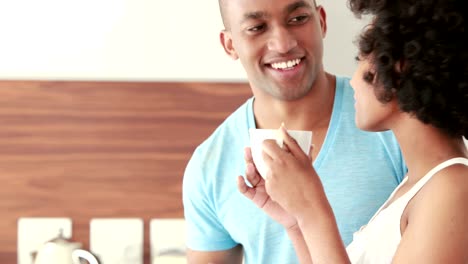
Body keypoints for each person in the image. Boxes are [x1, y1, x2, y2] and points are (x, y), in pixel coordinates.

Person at [239, 0, 468, 262]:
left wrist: (313, 211)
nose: (354, 80)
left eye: (361, 60)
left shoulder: (452, 190)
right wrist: (297, 222)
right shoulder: (420, 185)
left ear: (399, 67)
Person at [182, 0, 407, 263]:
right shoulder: (209, 165)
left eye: (298, 19)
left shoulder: (396, 124)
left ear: (321, 21)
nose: (283, 44)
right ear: (230, 44)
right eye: (257, 27)